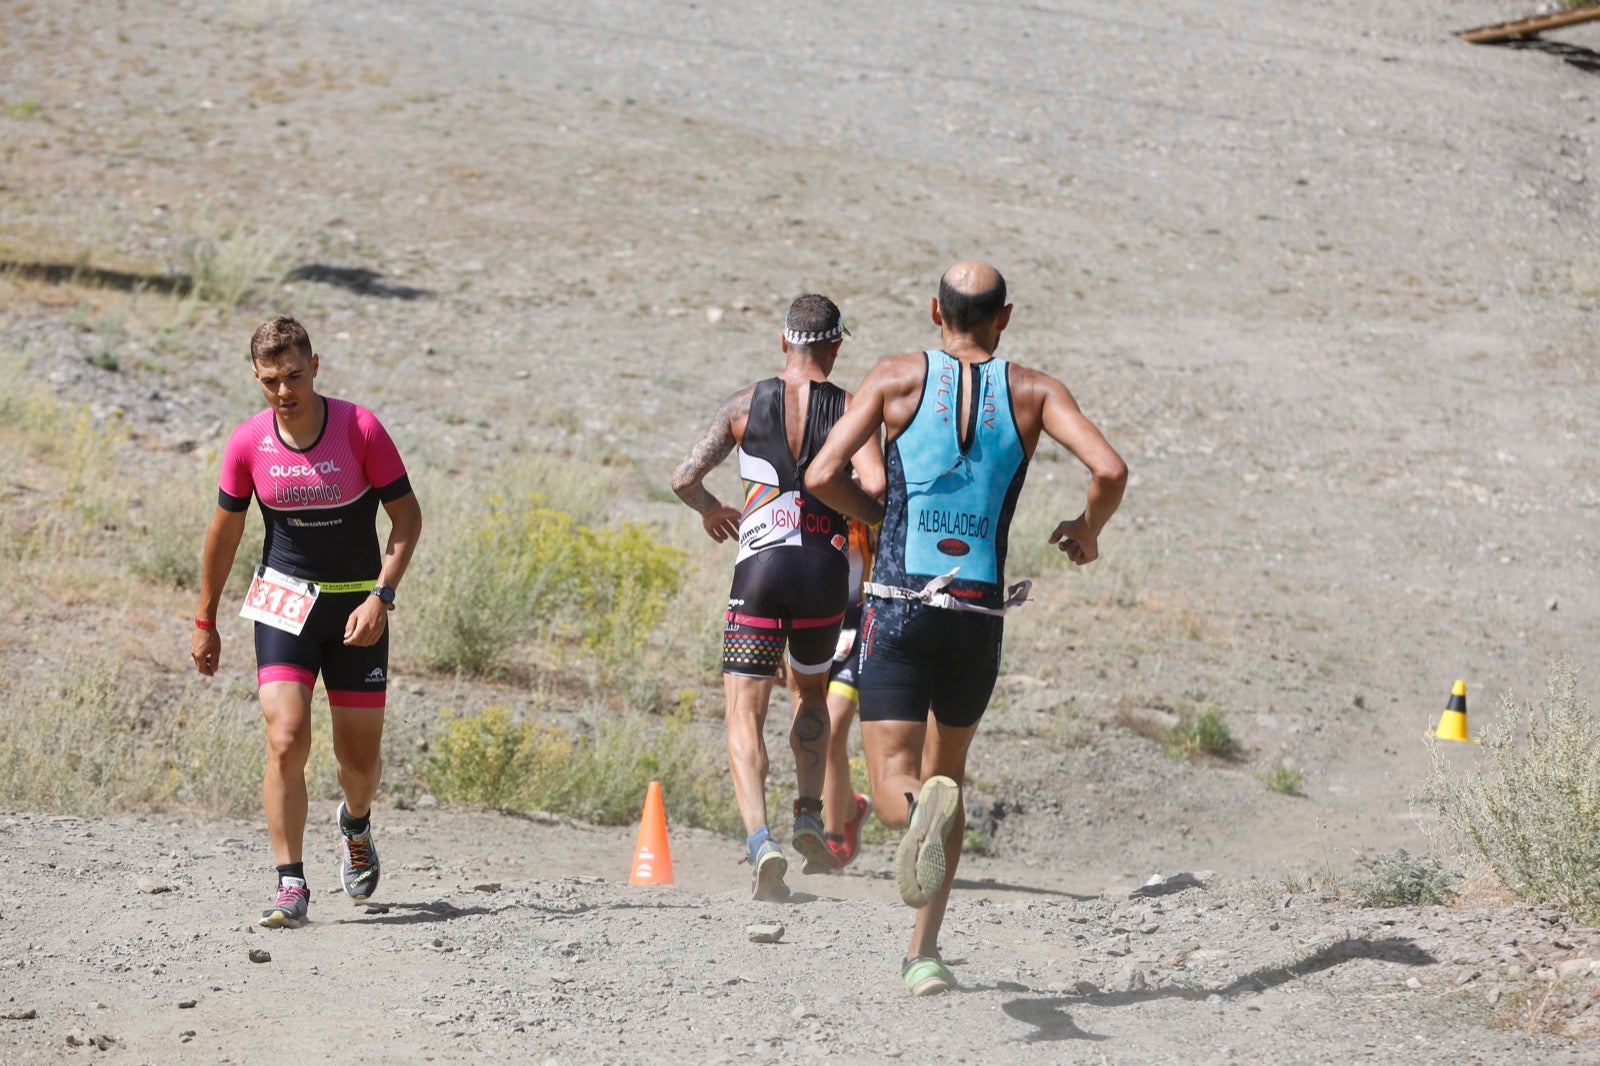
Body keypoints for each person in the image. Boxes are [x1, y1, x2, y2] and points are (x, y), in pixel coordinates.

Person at [806, 261, 1127, 995]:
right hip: (978, 615)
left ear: (933, 310)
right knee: (950, 772)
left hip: (900, 604)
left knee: (896, 782)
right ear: (1004, 317)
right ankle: (924, 955)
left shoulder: (893, 377)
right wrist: (1088, 528)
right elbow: (1109, 468)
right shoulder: (1036, 390)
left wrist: (880, 517)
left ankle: (916, 810)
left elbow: (824, 472)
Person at [189, 316, 422, 929]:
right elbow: (224, 532)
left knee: (359, 762)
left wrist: (382, 597)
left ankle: (356, 824)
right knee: (286, 737)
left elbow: (407, 520)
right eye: (270, 380)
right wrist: (204, 618)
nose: (283, 391)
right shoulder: (247, 442)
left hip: (357, 608)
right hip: (283, 601)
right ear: (256, 377)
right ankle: (290, 882)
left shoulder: (359, 429)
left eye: (294, 376)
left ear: (315, 367)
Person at [670, 294, 884, 901]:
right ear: (836, 345)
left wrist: (713, 511)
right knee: (810, 692)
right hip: (822, 573)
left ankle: (760, 841)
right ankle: (811, 814)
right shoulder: (848, 409)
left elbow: (684, 476)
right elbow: (873, 485)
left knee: (744, 709)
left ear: (783, 342)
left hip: (758, 570)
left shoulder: (743, 405)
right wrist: (853, 515)